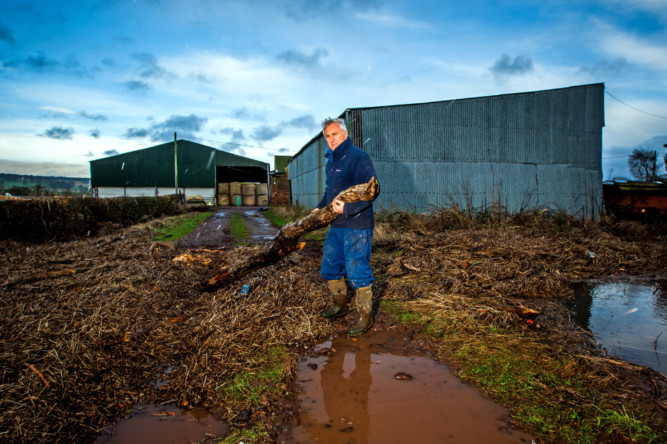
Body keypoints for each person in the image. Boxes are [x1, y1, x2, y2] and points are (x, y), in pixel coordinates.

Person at [313, 117, 379, 336]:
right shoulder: (332, 161)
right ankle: (339, 306)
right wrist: (320, 207)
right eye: (328, 136)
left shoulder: (358, 157)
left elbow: (372, 192)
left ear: (345, 134)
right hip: (336, 224)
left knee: (357, 270)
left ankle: (364, 317)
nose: (331, 139)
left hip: (357, 224)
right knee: (330, 265)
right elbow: (330, 192)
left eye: (335, 134)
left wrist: (347, 210)